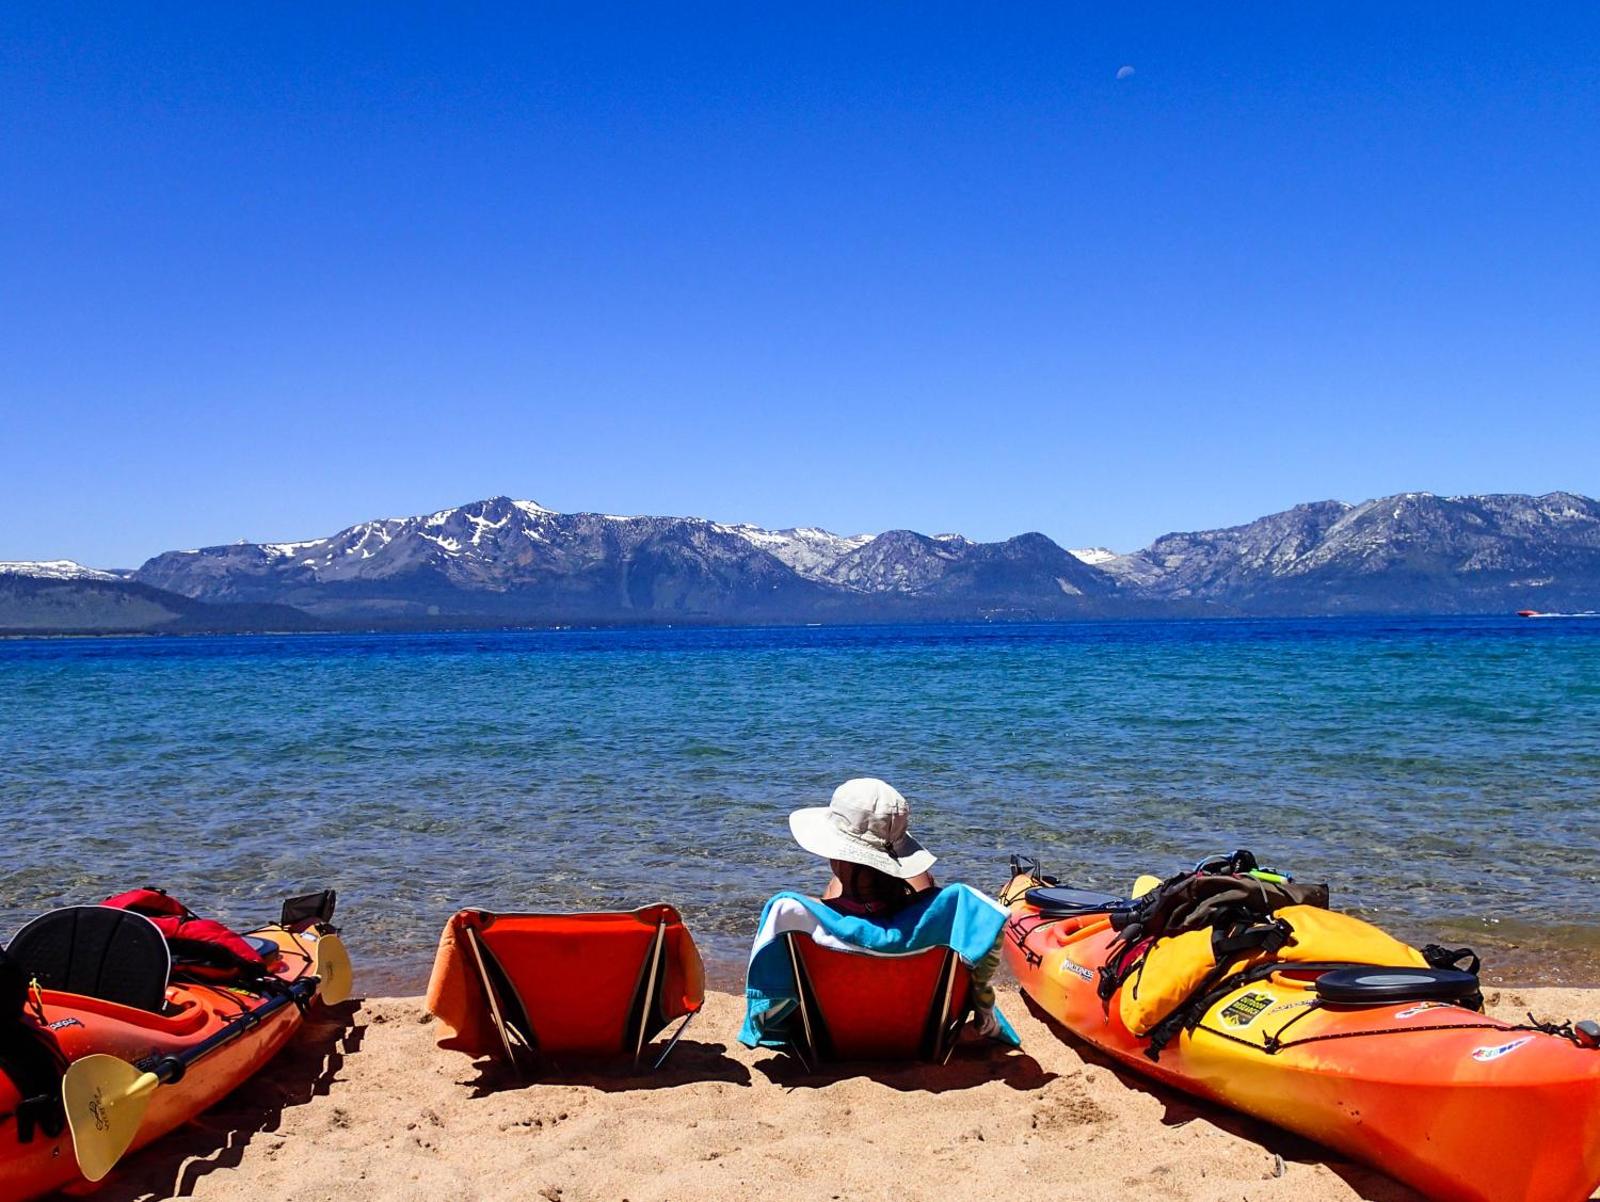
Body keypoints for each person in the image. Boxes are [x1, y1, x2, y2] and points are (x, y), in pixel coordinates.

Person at [739, 777, 1014, 1047]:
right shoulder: (955, 911)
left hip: (827, 1038)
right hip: (924, 1038)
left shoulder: (792, 915)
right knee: (921, 888)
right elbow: (984, 957)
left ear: (835, 854)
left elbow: (769, 1006)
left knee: (836, 891)